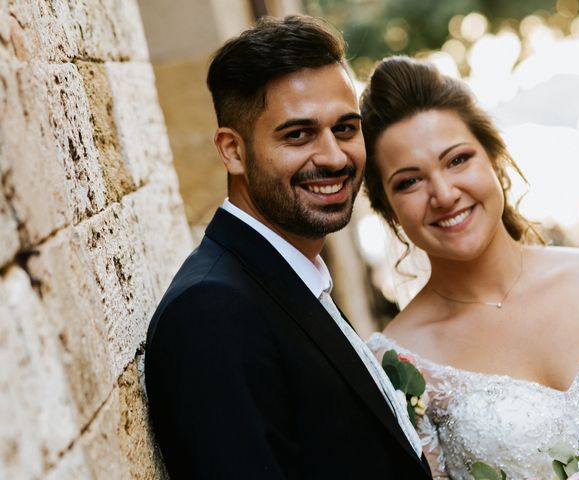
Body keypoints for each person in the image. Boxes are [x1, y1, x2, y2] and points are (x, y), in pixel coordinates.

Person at [144, 17, 432, 479]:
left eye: (345, 128)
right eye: (298, 134)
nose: (335, 157)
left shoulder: (293, 277)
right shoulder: (212, 311)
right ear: (233, 151)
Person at [360, 56, 579, 479]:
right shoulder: (397, 364)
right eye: (409, 181)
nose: (444, 193)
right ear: (389, 209)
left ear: (495, 159)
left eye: (457, 160)